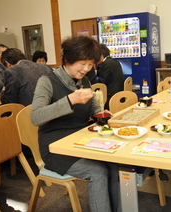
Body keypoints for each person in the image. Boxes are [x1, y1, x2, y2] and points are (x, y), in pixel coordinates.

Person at [30, 36, 121, 212]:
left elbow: (94, 107)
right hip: (55, 147)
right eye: (82, 63)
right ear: (68, 59)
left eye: (90, 64)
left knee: (115, 164)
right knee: (98, 172)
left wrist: (103, 114)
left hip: (80, 140)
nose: (87, 69)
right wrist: (70, 100)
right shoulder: (47, 81)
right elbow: (35, 117)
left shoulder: (85, 81)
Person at [96, 44, 124, 110]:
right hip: (119, 93)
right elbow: (109, 73)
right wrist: (97, 72)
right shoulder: (114, 61)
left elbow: (102, 82)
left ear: (100, 55)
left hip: (110, 96)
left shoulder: (105, 64)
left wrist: (92, 82)